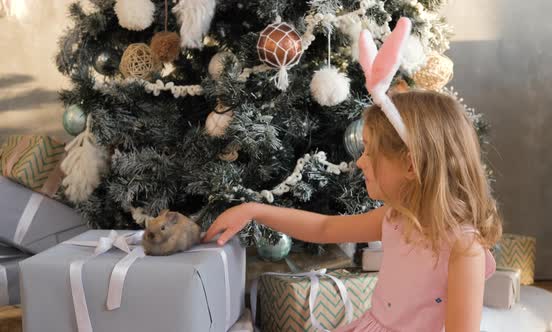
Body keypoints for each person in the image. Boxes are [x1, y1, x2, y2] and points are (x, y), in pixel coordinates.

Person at [203, 17, 502, 332]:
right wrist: (254, 210)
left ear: (411, 166)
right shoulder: (397, 218)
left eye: (371, 152)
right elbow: (324, 228)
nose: (361, 162)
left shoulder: (463, 249)